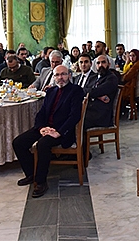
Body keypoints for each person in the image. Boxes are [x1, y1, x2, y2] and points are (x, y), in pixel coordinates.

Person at [12, 65, 83, 198]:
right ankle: (31, 174)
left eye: (63, 74)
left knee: (42, 145)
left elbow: (74, 116)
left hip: (63, 131)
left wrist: (59, 132)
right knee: (18, 142)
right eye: (57, 75)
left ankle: (40, 182)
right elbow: (42, 113)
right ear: (54, 77)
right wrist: (41, 128)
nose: (60, 78)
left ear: (69, 75)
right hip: (46, 128)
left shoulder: (76, 91)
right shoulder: (51, 91)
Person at [83, 55, 119, 129]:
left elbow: (94, 92)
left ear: (108, 64)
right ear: (95, 65)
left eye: (103, 62)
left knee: (76, 119)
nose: (100, 65)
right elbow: (87, 90)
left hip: (102, 115)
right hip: (91, 109)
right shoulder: (94, 77)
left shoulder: (111, 78)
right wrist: (98, 96)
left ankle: (79, 140)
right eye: (98, 63)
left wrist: (94, 94)